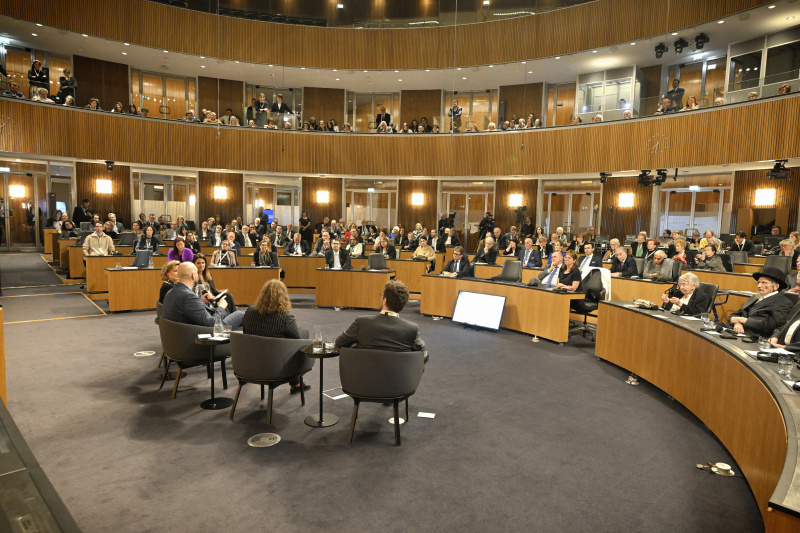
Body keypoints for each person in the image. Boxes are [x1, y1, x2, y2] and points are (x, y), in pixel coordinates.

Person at [242, 279, 310, 393]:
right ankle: (296, 382)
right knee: (304, 334)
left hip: (251, 364)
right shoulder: (285, 318)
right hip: (276, 367)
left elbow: (245, 334)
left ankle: (296, 382)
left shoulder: (249, 311)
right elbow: (297, 342)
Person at [335, 280, 427, 361]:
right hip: (398, 375)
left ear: (384, 301)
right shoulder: (411, 329)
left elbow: (339, 342)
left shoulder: (362, 322)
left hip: (365, 373)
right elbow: (420, 349)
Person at [162, 262, 243, 330]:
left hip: (182, 333)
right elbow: (212, 324)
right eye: (197, 273)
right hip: (200, 335)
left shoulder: (171, 292)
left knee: (241, 329)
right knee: (240, 315)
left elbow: (188, 308)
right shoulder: (188, 296)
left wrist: (200, 301)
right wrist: (221, 307)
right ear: (193, 275)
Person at [728, 267, 793, 337]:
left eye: (764, 283)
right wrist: (737, 323)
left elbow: (772, 327)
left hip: (754, 337)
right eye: (758, 282)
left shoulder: (783, 302)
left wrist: (744, 320)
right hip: (737, 330)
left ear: (776, 286)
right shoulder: (755, 297)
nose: (759, 286)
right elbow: (736, 314)